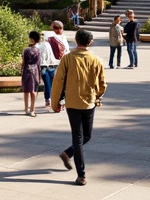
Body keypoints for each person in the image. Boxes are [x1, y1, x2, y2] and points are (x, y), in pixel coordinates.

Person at [50, 28, 107, 186]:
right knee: (84, 136)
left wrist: (55, 103)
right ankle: (81, 174)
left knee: (80, 136)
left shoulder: (67, 59)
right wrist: (98, 95)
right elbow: (102, 83)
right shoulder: (96, 60)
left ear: (76, 40)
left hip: (72, 103)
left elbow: (58, 82)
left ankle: (67, 154)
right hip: (89, 103)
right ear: (90, 42)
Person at [39, 21, 65, 111]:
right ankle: (60, 101)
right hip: (56, 64)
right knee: (58, 84)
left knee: (48, 84)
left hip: (45, 65)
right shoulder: (60, 38)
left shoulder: (45, 38)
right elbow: (64, 51)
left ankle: (48, 100)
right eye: (60, 28)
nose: (61, 30)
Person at [21, 31, 42, 117]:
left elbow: (23, 62)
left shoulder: (26, 50)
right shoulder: (37, 50)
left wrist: (21, 70)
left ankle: (27, 109)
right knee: (33, 91)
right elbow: (39, 63)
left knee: (27, 90)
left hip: (27, 71)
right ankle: (32, 109)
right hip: (35, 71)